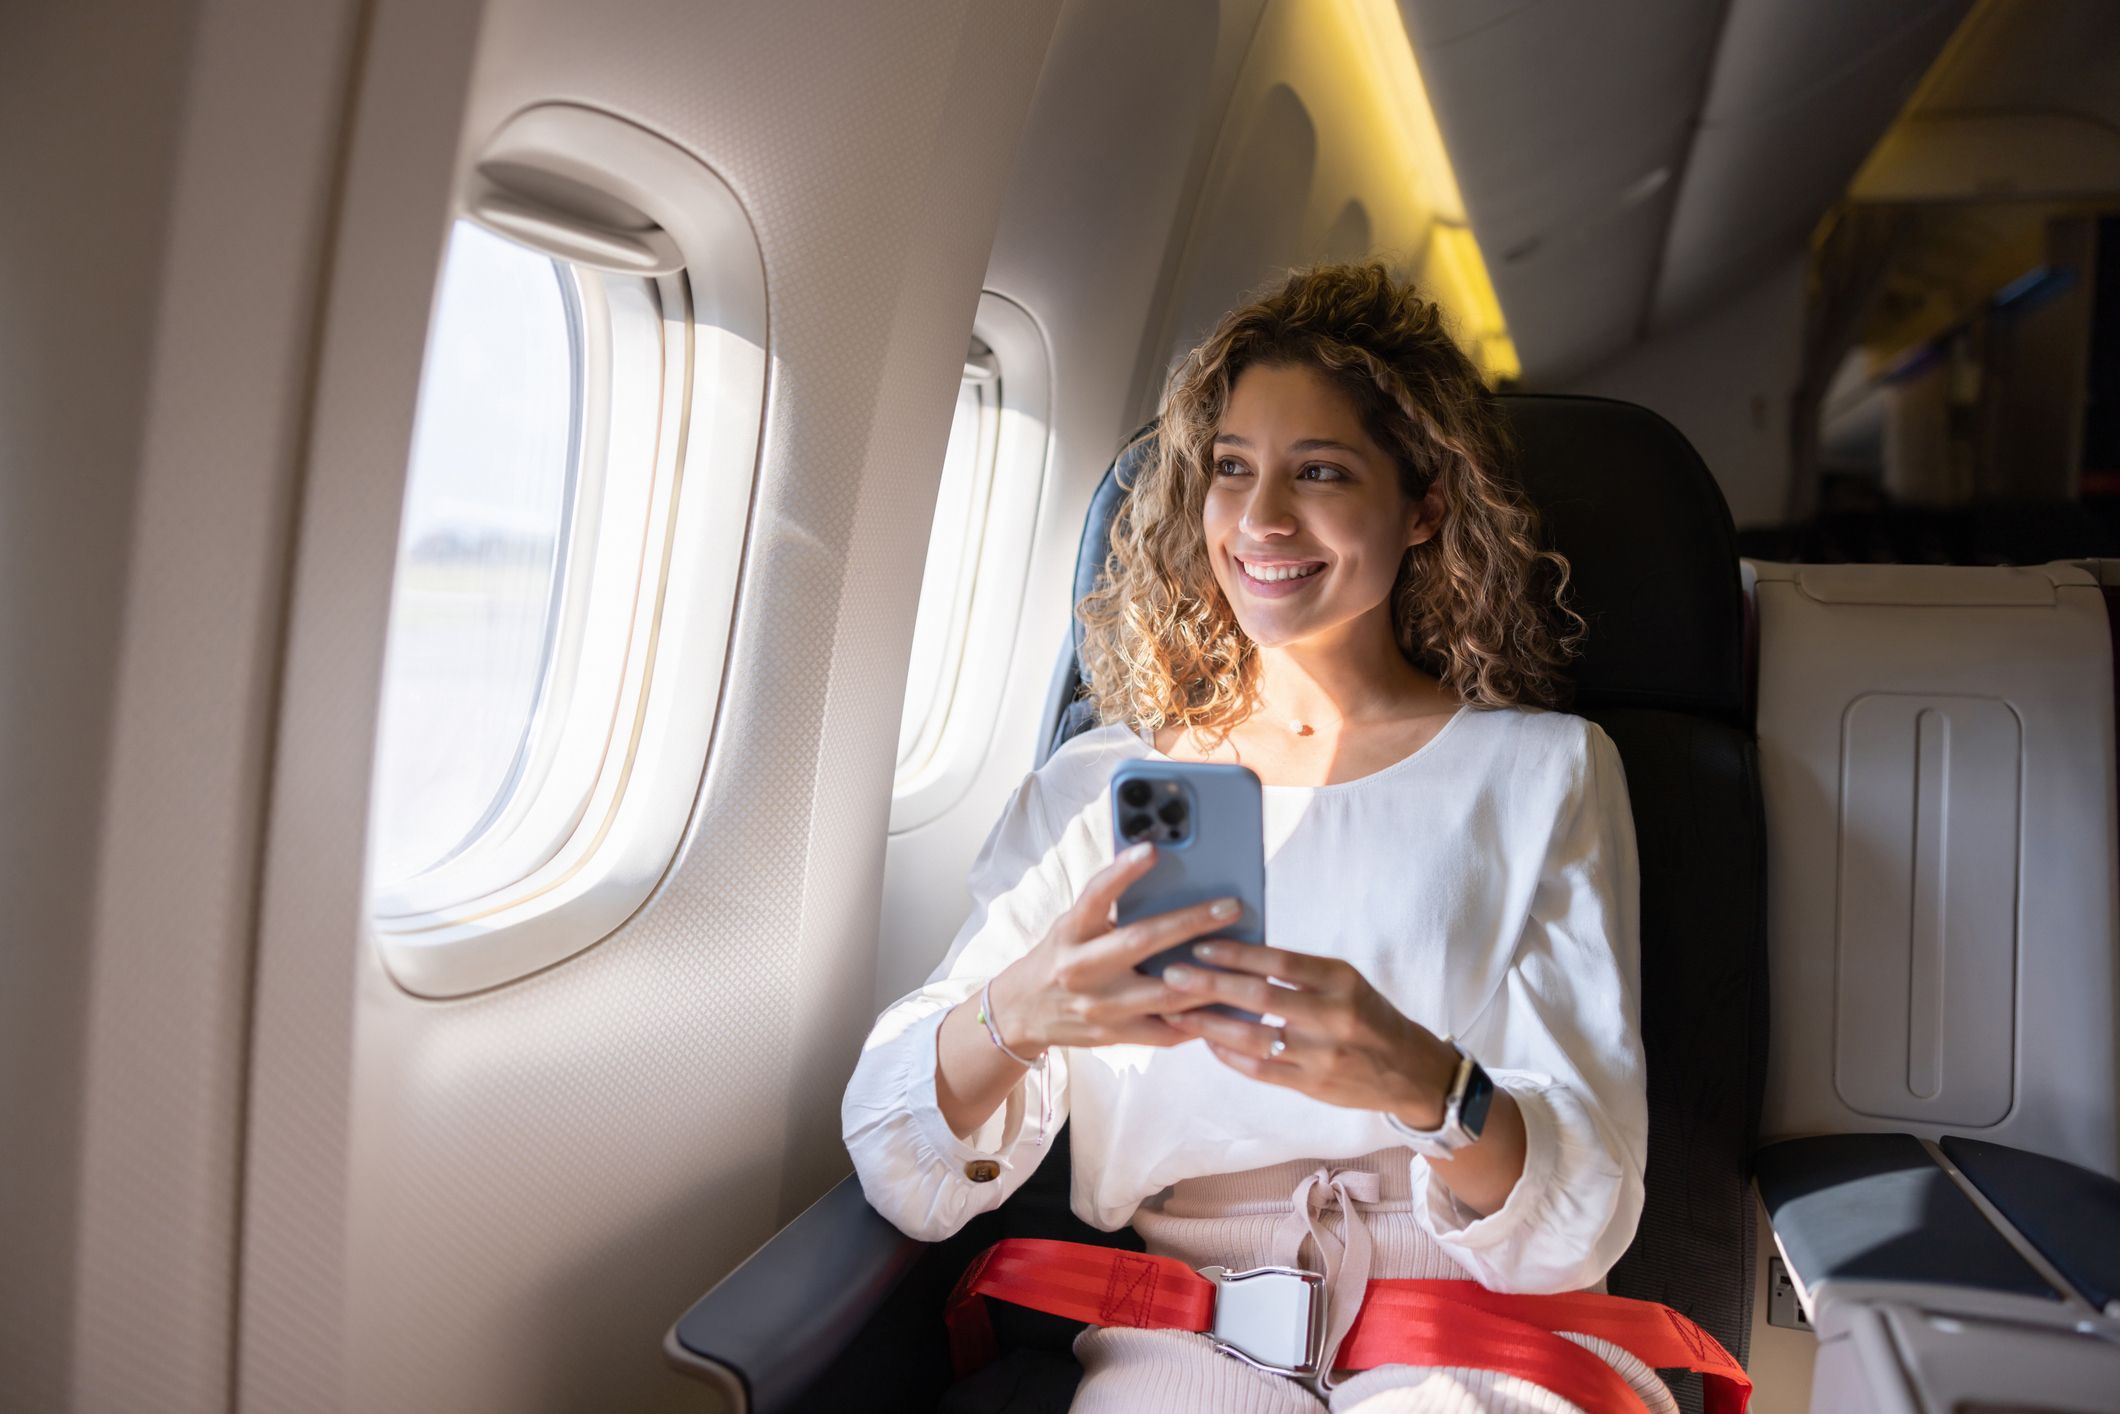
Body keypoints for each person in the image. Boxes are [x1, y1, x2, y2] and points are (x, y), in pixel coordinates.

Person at [843, 262, 1668, 1413]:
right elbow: (901, 1165)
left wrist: (1423, 1082)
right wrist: (1021, 1011)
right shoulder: (1104, 786)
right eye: (1232, 470)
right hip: (1188, 1332)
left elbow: (1578, 1220)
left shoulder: (1541, 773)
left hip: (1469, 1325)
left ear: (1421, 502)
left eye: (1318, 471)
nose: (1262, 519)